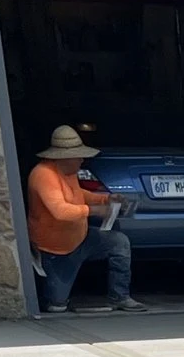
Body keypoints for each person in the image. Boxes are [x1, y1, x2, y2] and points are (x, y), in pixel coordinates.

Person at [26, 125, 144, 313]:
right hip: (55, 250)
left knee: (119, 242)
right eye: (78, 156)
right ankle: (52, 294)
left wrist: (105, 198)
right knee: (56, 305)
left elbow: (78, 194)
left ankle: (120, 296)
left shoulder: (68, 172)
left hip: (80, 238)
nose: (82, 160)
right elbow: (61, 211)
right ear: (63, 158)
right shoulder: (43, 175)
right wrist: (96, 210)